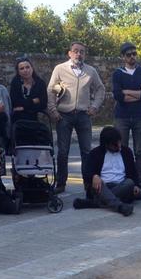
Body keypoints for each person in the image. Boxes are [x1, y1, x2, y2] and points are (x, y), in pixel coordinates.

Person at [48, 42, 105, 193]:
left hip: (83, 115)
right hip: (64, 115)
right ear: (69, 53)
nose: (79, 54)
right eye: (76, 51)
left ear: (85, 54)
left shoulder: (91, 71)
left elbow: (100, 89)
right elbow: (51, 89)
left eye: (82, 52)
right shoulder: (60, 69)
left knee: (86, 151)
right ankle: (61, 183)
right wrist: (53, 109)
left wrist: (94, 106)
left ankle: (87, 182)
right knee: (62, 151)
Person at [76, 126, 138, 216]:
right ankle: (120, 206)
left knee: (130, 183)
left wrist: (136, 185)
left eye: (119, 142)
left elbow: (133, 173)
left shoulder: (126, 152)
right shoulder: (95, 153)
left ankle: (98, 202)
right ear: (107, 144)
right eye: (115, 144)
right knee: (99, 184)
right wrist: (94, 176)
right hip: (102, 186)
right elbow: (87, 173)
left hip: (120, 185)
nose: (119, 146)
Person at [112, 42, 141, 179]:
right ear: (123, 57)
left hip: (139, 116)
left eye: (134, 54)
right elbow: (118, 96)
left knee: (139, 151)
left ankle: (139, 179)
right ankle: (123, 177)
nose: (132, 57)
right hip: (122, 117)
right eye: (129, 55)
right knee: (120, 148)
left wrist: (127, 92)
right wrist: (139, 93)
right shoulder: (117, 74)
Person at [9, 57, 47, 125]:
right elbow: (14, 102)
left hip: (35, 116)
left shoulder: (40, 83)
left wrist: (23, 108)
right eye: (22, 68)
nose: (25, 70)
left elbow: (43, 103)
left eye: (27, 67)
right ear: (18, 71)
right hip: (19, 118)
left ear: (32, 68)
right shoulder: (15, 83)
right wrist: (33, 101)